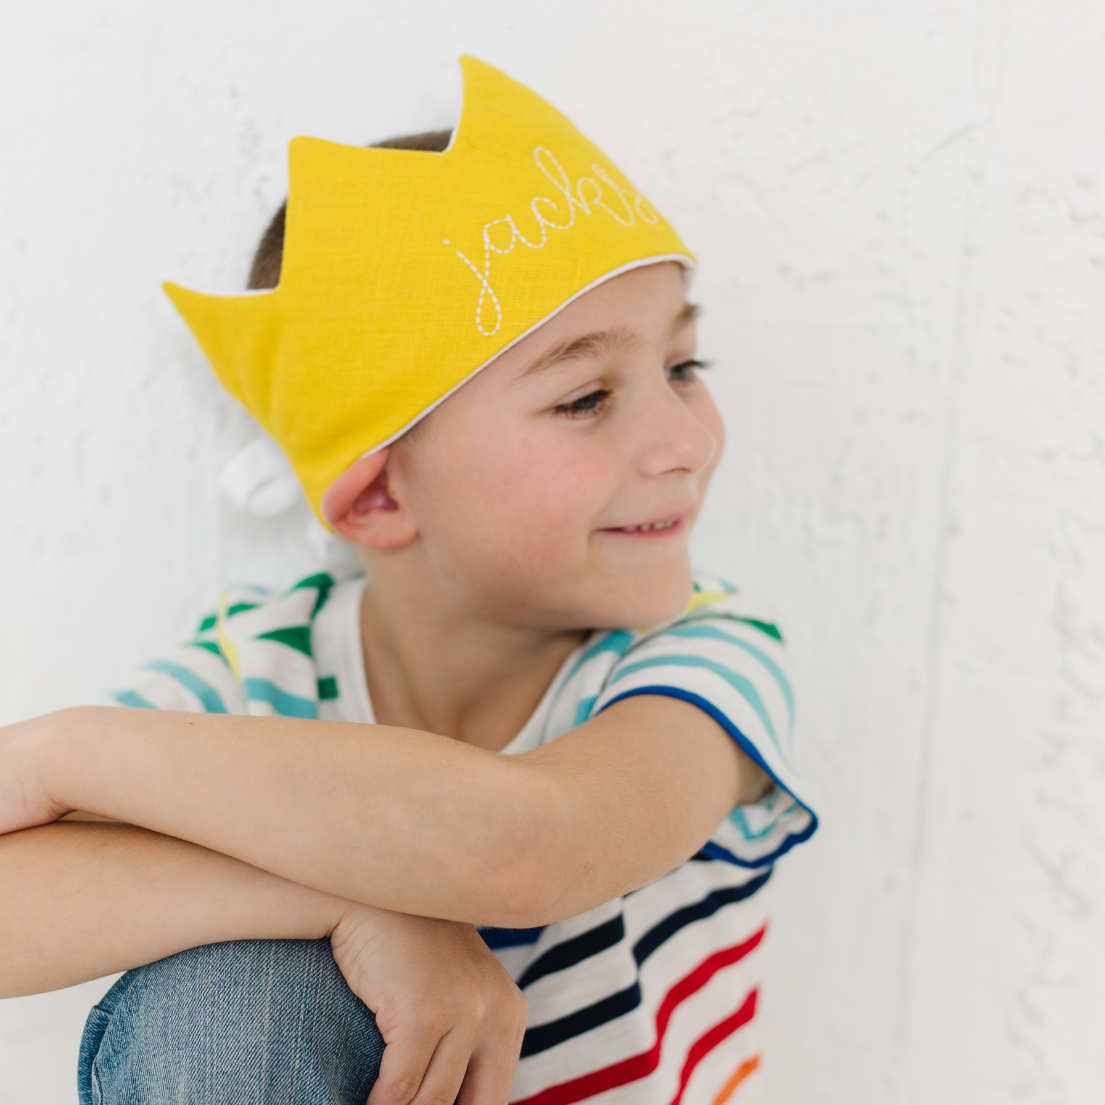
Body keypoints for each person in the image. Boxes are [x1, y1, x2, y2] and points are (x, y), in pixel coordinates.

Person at [0, 57, 816, 1105]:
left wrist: (66, 752)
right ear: (378, 498)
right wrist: (350, 904)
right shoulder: (266, 661)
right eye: (585, 398)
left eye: (682, 367)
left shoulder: (703, 657)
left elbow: (530, 843)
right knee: (230, 994)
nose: (685, 440)